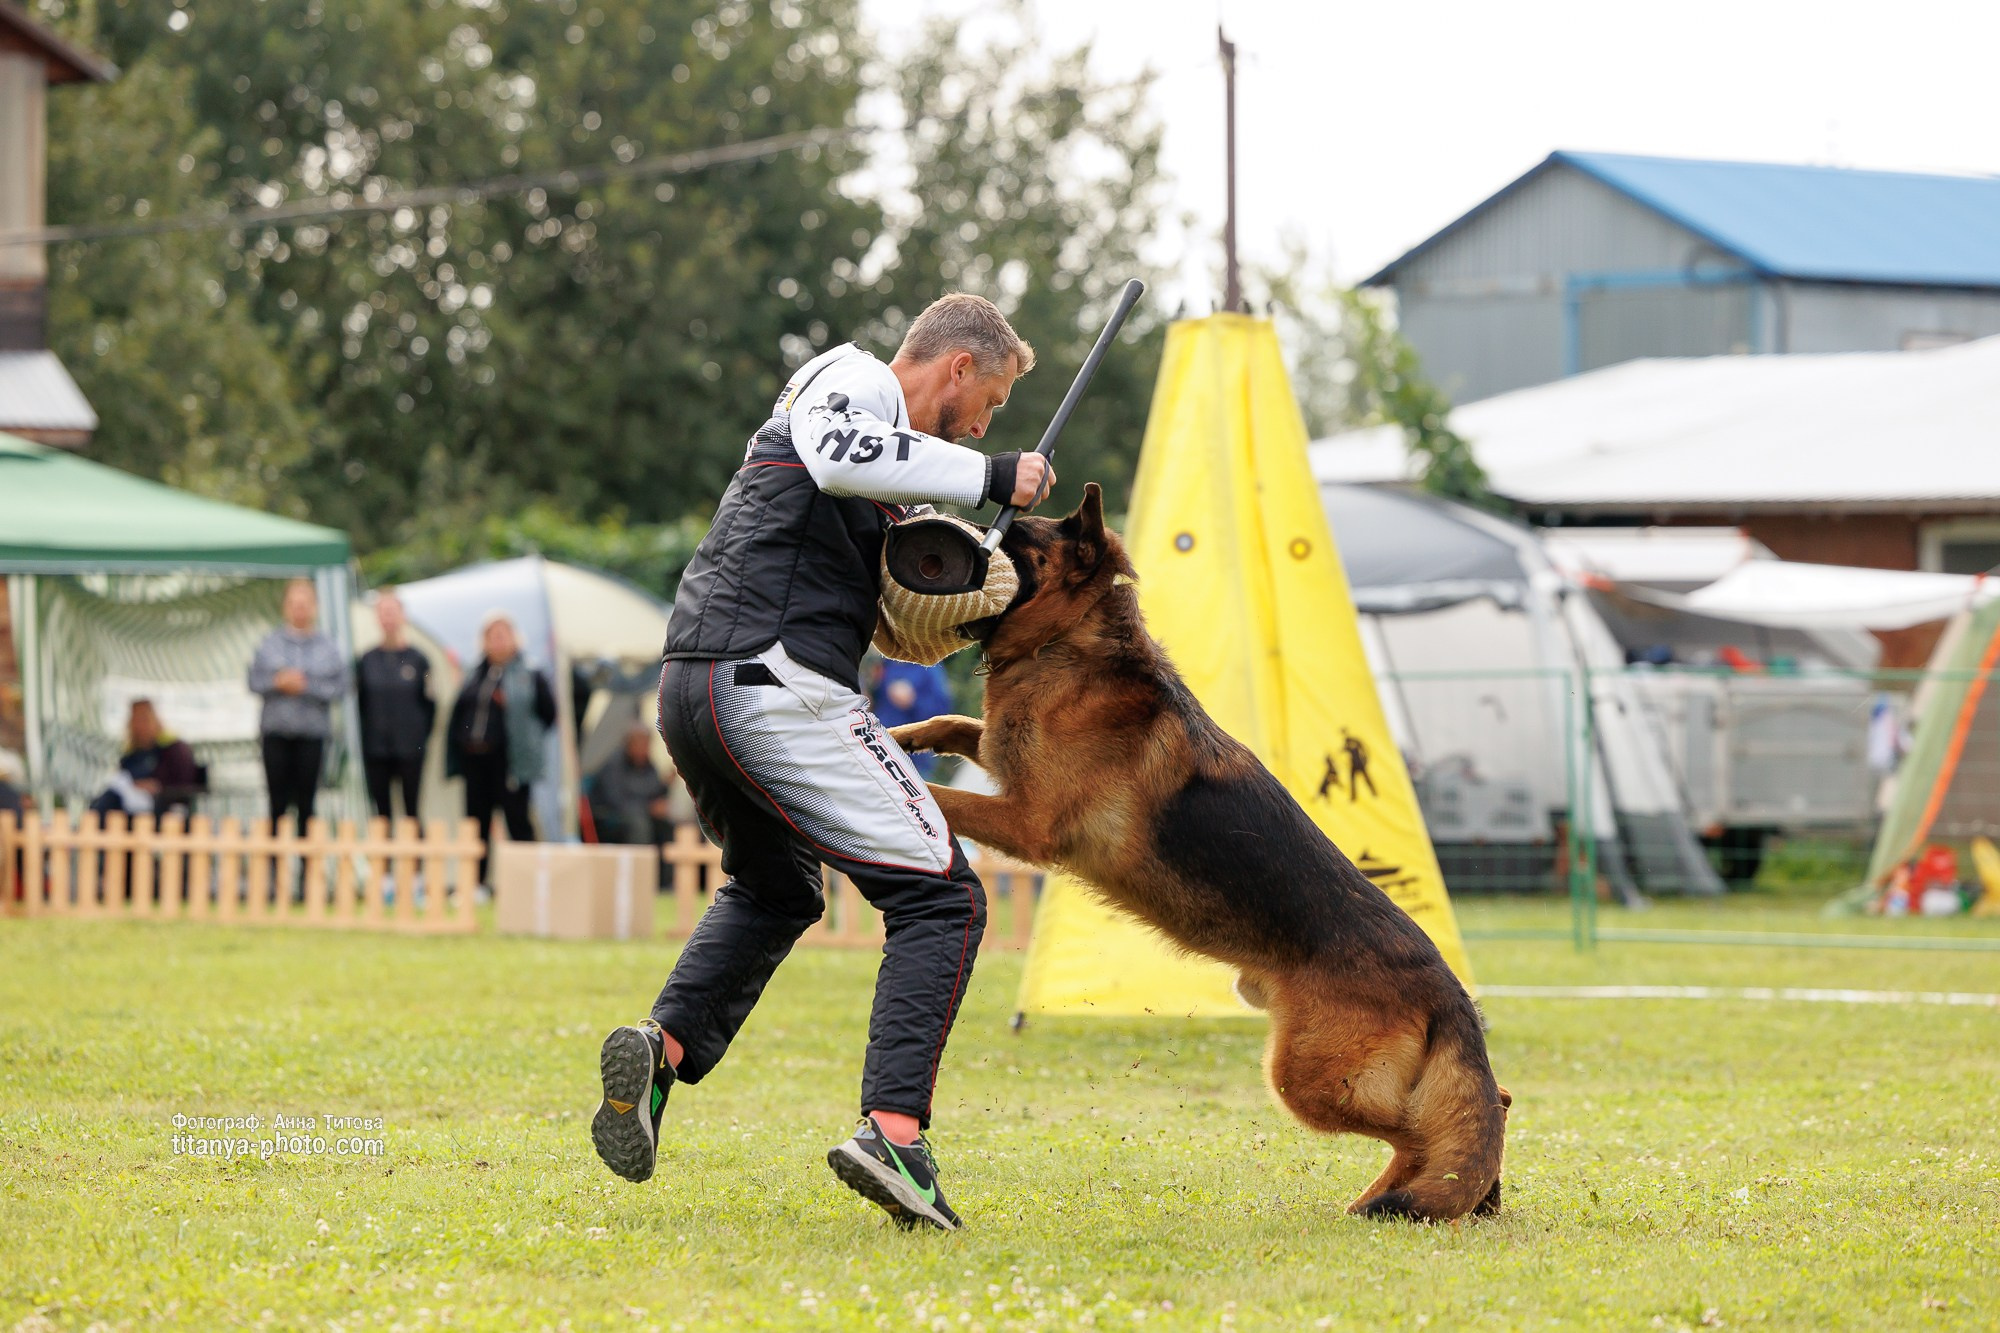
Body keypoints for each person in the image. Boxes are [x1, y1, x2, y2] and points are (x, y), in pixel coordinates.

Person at [591, 292, 1050, 1232]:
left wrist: (957, 586)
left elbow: (891, 600)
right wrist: (995, 470)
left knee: (778, 887)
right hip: (772, 680)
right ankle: (893, 1134)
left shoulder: (878, 457)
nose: (983, 423)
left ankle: (660, 1053)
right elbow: (845, 455)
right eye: (991, 403)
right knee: (944, 895)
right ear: (958, 367)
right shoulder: (855, 381)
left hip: (698, 682)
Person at [446, 611, 556, 881]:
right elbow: (459, 713)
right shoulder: (475, 672)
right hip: (476, 760)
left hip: (511, 761)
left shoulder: (529, 672)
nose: (496, 641)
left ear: (514, 638)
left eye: (502, 635)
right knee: (476, 824)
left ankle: (526, 882)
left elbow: (549, 714)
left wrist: (525, 738)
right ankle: (477, 883)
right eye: (491, 636)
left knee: (517, 821)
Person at [247, 578, 348, 836]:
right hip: (276, 735)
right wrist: (278, 682)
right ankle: (273, 869)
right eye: (294, 604)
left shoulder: (328, 646)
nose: (299, 609)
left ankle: (307, 870)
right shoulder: (269, 643)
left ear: (315, 607)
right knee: (276, 804)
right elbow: (253, 681)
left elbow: (340, 687)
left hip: (312, 736)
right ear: (285, 607)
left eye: (305, 604)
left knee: (307, 805)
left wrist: (305, 686)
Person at [355, 589, 435, 822]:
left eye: (392, 612)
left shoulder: (420, 660)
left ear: (403, 616)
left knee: (412, 810)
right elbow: (361, 702)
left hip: (411, 748)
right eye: (383, 612)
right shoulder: (366, 661)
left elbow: (431, 702)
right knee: (381, 813)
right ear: (376, 617)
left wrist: (419, 735)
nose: (388, 618)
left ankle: (415, 857)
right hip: (376, 749)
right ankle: (384, 858)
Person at [89, 699, 202, 817]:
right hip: (127, 807)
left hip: (161, 808)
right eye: (135, 719)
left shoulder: (174, 748)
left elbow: (184, 784)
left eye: (144, 719)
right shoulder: (131, 754)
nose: (139, 725)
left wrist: (159, 788)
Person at [867, 657, 956, 778]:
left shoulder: (928, 666)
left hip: (912, 759)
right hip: (880, 749)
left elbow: (942, 710)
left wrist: (913, 701)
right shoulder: (887, 663)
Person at [588, 724, 673, 847]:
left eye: (646, 745)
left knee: (666, 825)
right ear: (628, 744)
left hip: (638, 813)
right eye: (639, 744)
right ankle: (639, 865)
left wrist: (665, 785)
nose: (643, 749)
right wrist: (648, 808)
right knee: (639, 825)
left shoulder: (648, 765)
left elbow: (653, 792)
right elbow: (616, 801)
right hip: (608, 818)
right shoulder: (613, 765)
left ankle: (663, 866)